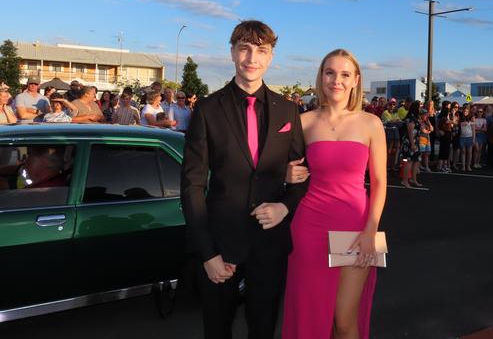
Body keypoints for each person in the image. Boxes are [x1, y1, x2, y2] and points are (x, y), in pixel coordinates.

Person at [181, 20, 307, 339]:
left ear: (270, 57)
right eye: (244, 48)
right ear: (232, 53)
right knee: (217, 331)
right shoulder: (208, 110)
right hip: (221, 247)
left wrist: (285, 206)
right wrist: (207, 253)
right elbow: (192, 185)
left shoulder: (287, 111)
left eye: (261, 50)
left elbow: (302, 174)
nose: (252, 58)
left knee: (263, 330)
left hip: (270, 247)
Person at [282, 48, 387, 339]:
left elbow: (380, 184)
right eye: (330, 72)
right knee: (311, 316)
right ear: (321, 77)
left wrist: (371, 230)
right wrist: (286, 174)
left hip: (357, 228)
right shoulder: (304, 122)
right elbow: (279, 169)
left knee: (344, 321)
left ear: (355, 80)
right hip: (308, 227)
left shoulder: (371, 123)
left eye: (344, 74)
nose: (336, 80)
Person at [400, 101, 422, 187]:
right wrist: (412, 144)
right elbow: (410, 131)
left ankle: (413, 179)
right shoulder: (411, 118)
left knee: (416, 161)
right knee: (409, 161)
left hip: (415, 141)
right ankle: (405, 180)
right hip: (410, 142)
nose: (420, 108)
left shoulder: (416, 117)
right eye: (419, 107)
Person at [459, 105, 475, 172]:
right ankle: (463, 166)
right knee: (463, 152)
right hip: (462, 137)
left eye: (466, 111)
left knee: (469, 152)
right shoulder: (460, 118)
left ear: (468, 111)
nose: (465, 112)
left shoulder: (471, 118)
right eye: (464, 111)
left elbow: (473, 129)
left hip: (469, 137)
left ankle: (468, 166)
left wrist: (474, 138)